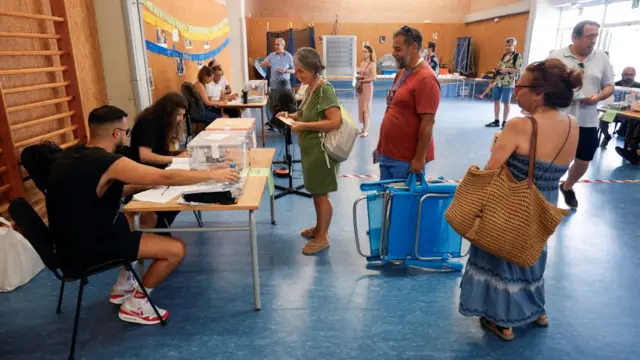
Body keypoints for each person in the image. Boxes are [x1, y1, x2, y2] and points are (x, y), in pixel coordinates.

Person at [46, 105, 239, 324]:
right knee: (176, 249)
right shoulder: (108, 162)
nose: (126, 137)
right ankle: (137, 304)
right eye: (126, 132)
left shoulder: (72, 154)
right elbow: (166, 178)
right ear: (116, 133)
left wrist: (144, 187)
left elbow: (110, 188)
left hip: (66, 240)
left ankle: (122, 285)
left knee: (147, 217)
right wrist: (213, 175)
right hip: (86, 249)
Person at [459, 58, 581, 341]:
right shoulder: (572, 123)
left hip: (513, 201)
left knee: (501, 255)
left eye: (520, 86)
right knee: (532, 255)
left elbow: (492, 170)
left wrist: (497, 145)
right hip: (547, 201)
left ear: (539, 93)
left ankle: (501, 320)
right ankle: (537, 310)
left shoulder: (520, 126)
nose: (515, 91)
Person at [276, 47, 341, 255]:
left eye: (301, 71)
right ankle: (319, 228)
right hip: (310, 150)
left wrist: (303, 126)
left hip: (321, 151)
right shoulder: (310, 88)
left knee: (322, 195)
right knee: (315, 192)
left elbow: (334, 121)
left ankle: (323, 237)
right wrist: (292, 116)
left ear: (313, 70)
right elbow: (305, 113)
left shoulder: (324, 89)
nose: (298, 75)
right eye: (296, 70)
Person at [548, 20, 614, 209]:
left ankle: (567, 187)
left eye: (596, 36)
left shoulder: (601, 57)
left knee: (584, 159)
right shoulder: (557, 56)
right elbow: (546, 84)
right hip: (559, 117)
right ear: (575, 37)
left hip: (588, 120)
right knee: (552, 158)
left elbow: (610, 85)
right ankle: (546, 193)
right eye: (589, 36)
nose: (593, 40)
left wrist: (599, 96)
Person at [375, 26, 440, 180]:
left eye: (398, 49)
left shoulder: (426, 79)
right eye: (393, 48)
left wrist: (419, 158)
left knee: (403, 204)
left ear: (413, 47)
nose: (393, 53)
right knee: (387, 202)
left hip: (406, 160)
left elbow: (428, 122)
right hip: (389, 154)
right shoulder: (402, 73)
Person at [485, 37, 523, 128]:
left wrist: (506, 69)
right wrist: (496, 70)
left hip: (508, 83)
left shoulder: (517, 57)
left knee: (506, 102)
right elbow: (500, 66)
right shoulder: (504, 56)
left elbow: (518, 70)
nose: (507, 47)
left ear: (514, 45)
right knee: (496, 101)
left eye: (509, 45)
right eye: (506, 45)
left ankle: (504, 122)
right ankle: (496, 120)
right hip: (498, 82)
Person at [599, 66, 640, 147]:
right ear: (622, 75)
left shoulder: (638, 87)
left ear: (635, 75)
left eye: (631, 75)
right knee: (603, 120)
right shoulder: (614, 85)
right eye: (627, 74)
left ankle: (631, 143)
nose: (629, 77)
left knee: (635, 123)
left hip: (632, 114)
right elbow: (608, 101)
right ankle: (607, 137)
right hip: (614, 112)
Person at [357, 45, 377, 137]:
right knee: (362, 108)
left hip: (368, 87)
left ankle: (366, 129)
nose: (364, 53)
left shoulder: (372, 64)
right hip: (362, 87)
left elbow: (373, 77)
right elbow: (362, 75)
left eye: (365, 52)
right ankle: (363, 127)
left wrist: (362, 80)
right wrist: (359, 78)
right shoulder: (362, 63)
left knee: (366, 108)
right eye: (363, 51)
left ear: (370, 53)